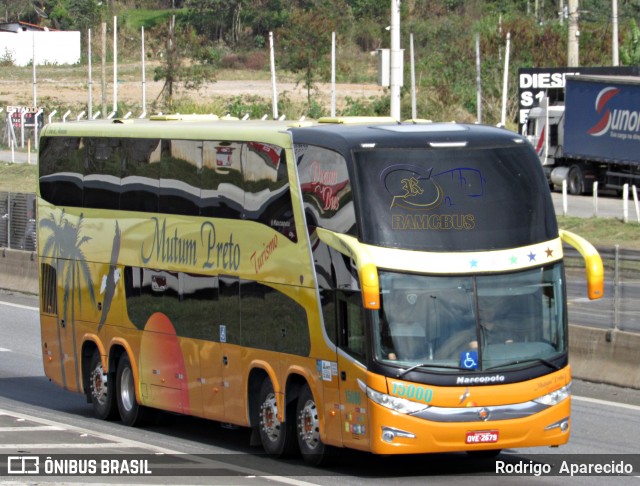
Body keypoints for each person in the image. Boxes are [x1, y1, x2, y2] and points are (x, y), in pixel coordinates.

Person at [384, 290, 430, 361]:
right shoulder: (392, 328)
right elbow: (390, 350)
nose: (405, 314)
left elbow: (423, 352)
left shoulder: (419, 328)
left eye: (409, 310)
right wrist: (391, 353)